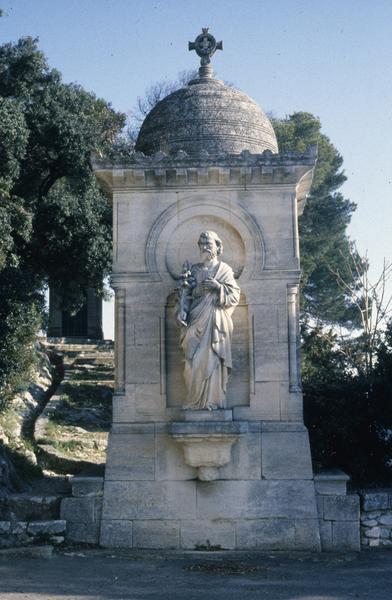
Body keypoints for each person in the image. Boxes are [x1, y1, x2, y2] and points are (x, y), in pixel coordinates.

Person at [176, 231, 240, 410]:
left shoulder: (224, 269)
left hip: (215, 322)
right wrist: (181, 311)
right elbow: (184, 296)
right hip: (195, 320)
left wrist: (218, 287)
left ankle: (212, 401)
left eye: (209, 244)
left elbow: (234, 296)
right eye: (202, 244)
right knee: (192, 361)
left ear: (218, 247)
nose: (204, 247)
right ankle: (194, 400)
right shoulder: (194, 270)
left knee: (212, 358)